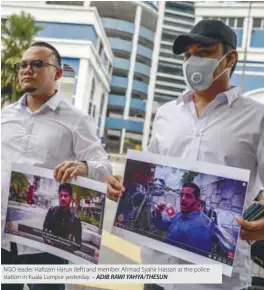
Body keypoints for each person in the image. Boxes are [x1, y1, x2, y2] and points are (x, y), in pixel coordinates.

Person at [107, 19, 264, 290]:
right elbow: (150, 168)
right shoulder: (167, 113)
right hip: (157, 272)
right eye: (189, 55)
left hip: (217, 282)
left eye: (203, 53)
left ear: (230, 59)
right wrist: (123, 184)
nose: (193, 62)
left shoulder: (256, 117)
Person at [1, 41, 112, 290]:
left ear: (58, 73)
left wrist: (84, 166)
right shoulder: (5, 116)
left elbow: (103, 167)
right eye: (23, 65)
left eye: (38, 64)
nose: (28, 69)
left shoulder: (76, 120)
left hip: (45, 241)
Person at [153, 183, 217, 253]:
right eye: (181, 195)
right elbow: (162, 226)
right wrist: (158, 213)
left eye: (188, 196)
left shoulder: (201, 228)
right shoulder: (179, 215)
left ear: (198, 201)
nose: (182, 198)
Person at [43, 183, 82, 251]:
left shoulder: (75, 220)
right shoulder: (51, 211)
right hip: (49, 250)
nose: (62, 198)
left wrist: (68, 248)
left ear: (70, 198)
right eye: (61, 195)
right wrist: (47, 241)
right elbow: (44, 230)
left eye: (66, 196)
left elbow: (78, 244)